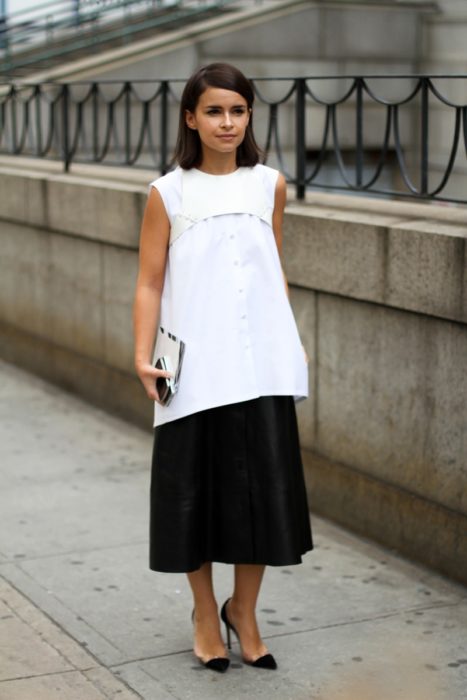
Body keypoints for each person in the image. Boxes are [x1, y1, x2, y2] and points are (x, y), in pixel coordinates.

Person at [133, 62, 313, 674]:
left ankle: (247, 611)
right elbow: (149, 282)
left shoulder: (270, 185)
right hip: (192, 369)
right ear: (190, 118)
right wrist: (141, 356)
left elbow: (271, 269)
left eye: (238, 110)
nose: (227, 122)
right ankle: (206, 614)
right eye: (214, 111)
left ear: (251, 115)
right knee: (192, 496)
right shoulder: (169, 192)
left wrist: (287, 343)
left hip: (261, 365)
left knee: (261, 495)